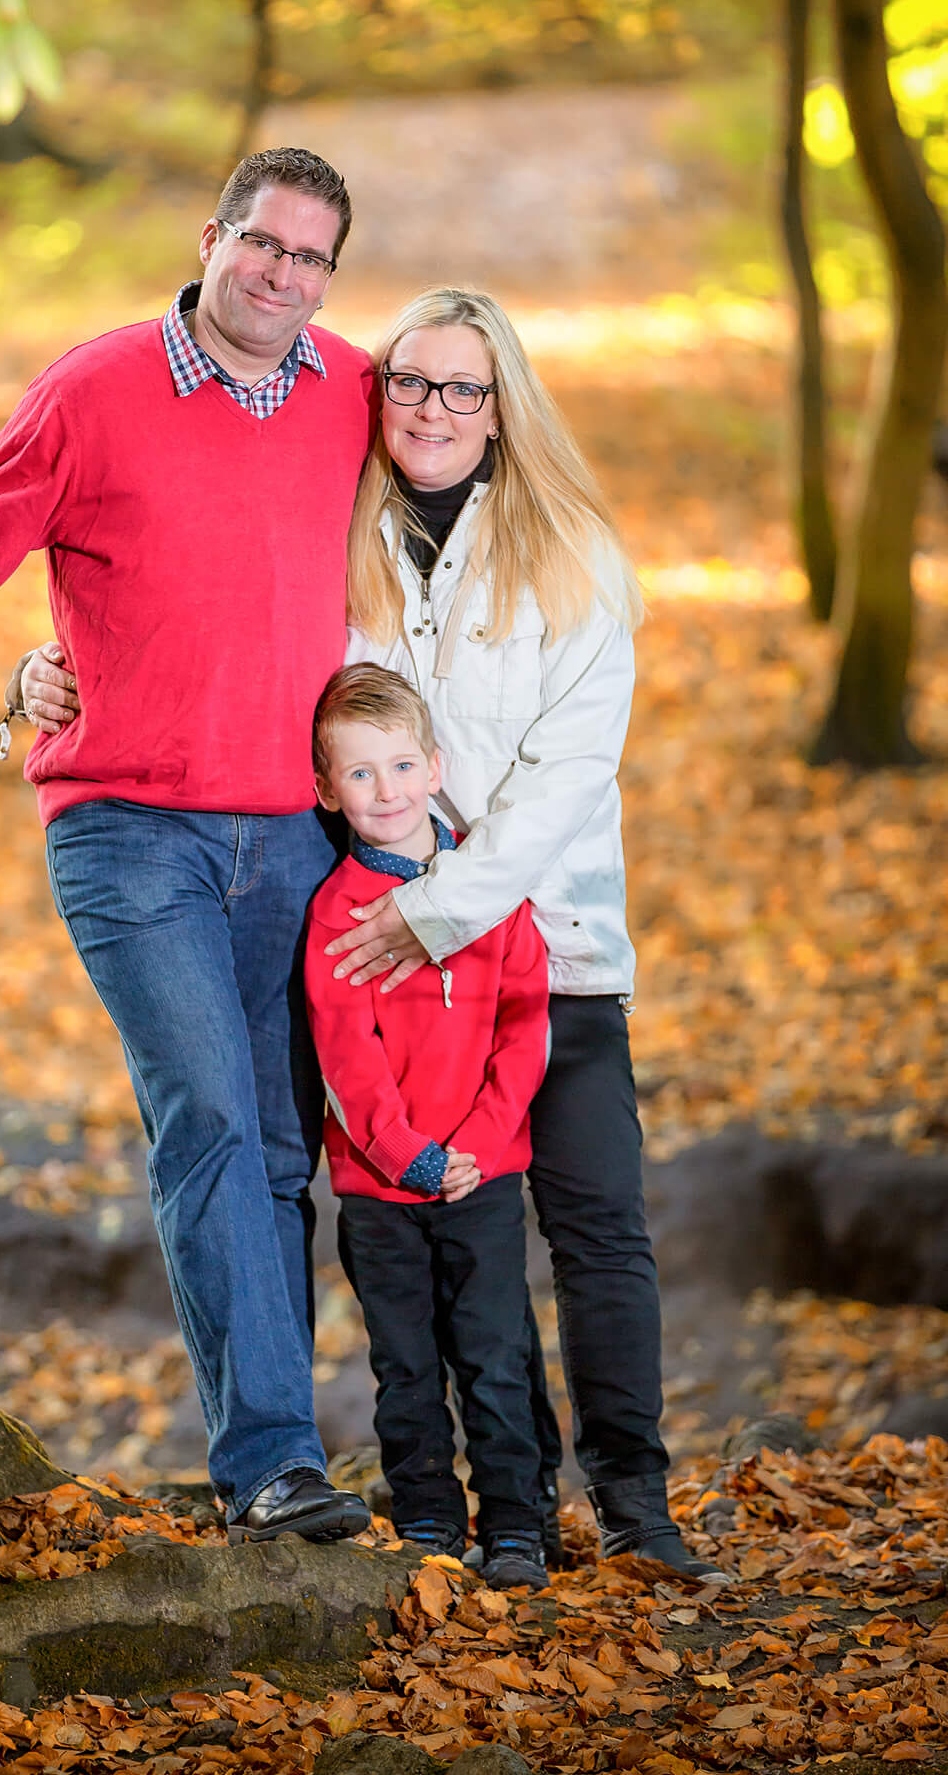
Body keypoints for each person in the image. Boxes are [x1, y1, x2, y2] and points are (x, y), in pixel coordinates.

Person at [23, 282, 727, 1583]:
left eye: (467, 388)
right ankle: (420, 1497)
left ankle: (634, 1500)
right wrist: (38, 674)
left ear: (504, 408)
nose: (436, 409)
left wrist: (436, 909)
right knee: (392, 1231)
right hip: (375, 976)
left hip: (542, 950)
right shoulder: (331, 533)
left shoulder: (576, 559)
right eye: (411, 381)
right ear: (378, 393)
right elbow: (198, 628)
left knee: (593, 1221)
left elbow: (567, 779)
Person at [0, 146, 376, 1544]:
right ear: (212, 235)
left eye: (310, 258)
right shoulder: (96, 388)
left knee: (285, 1149)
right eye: (263, 244)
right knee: (214, 1124)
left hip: (294, 830)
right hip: (130, 831)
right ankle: (275, 1463)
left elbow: (452, 501)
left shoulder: (351, 388)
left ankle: (284, 1460)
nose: (282, 276)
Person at [306, 663, 552, 1589]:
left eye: (403, 767)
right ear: (327, 789)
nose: (387, 791)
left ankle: (518, 1527)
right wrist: (410, 1157)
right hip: (382, 1193)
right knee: (406, 1370)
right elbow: (348, 1058)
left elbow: (525, 1028)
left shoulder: (488, 890)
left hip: (482, 1184)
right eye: (361, 775)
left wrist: (477, 1151)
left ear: (436, 765)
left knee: (493, 1357)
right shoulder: (336, 912)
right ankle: (427, 1526)